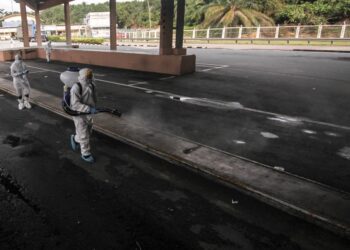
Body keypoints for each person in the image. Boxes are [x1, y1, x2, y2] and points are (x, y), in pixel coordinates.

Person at [70, 68, 97, 163]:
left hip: (89, 113)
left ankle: (75, 138)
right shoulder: (76, 87)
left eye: (91, 76)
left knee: (88, 132)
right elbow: (75, 104)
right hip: (79, 114)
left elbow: (93, 98)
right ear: (83, 77)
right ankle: (85, 154)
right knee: (84, 135)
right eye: (88, 77)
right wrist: (88, 108)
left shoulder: (92, 85)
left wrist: (94, 107)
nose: (90, 78)